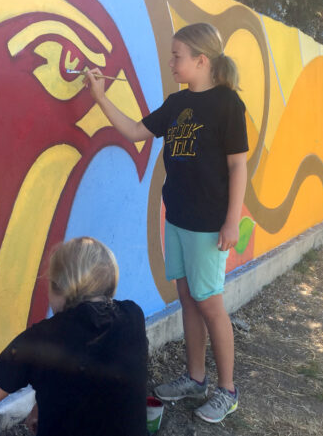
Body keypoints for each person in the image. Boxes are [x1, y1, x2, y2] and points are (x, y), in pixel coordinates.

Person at [83, 22, 247, 423]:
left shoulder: (228, 104)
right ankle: (195, 378)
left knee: (210, 303)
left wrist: (232, 221)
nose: (171, 63)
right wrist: (100, 99)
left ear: (201, 60)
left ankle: (227, 390)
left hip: (209, 225)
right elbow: (137, 131)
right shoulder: (176, 104)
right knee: (188, 299)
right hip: (176, 218)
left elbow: (238, 165)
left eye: (177, 56)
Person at [0, 237, 148, 436]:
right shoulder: (133, 317)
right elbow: (87, 371)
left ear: (56, 287)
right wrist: (42, 406)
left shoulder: (38, 342)